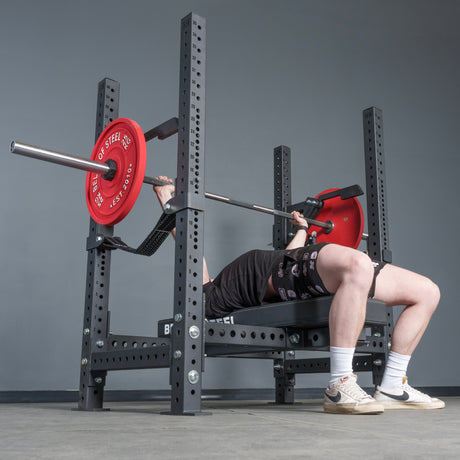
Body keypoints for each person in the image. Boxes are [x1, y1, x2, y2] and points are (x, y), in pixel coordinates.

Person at [154, 176, 444, 415]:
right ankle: (340, 384)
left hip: (292, 262)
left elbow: (290, 256)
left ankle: (393, 384)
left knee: (427, 292)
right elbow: (190, 251)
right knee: (357, 265)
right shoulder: (210, 300)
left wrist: (304, 228)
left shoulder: (259, 272)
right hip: (288, 271)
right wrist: (167, 200)